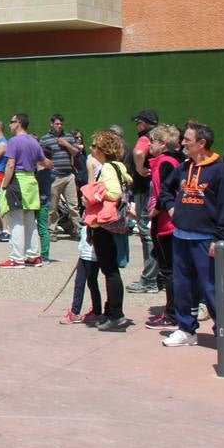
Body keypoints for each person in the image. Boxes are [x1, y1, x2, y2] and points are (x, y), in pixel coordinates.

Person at [160, 122, 224, 348]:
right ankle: (186, 330)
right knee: (182, 287)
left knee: (212, 288)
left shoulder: (219, 170)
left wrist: (220, 238)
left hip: (206, 240)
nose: (182, 143)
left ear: (201, 144)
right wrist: (171, 208)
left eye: (187, 140)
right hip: (181, 238)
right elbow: (165, 188)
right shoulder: (184, 167)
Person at [83, 129, 133, 331]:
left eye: (94, 146)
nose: (91, 148)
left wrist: (95, 194)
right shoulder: (119, 166)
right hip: (114, 224)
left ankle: (115, 314)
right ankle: (112, 311)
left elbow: (114, 192)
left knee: (109, 270)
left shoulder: (107, 169)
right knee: (110, 269)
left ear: (103, 149)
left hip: (105, 224)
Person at [143, 124, 183, 330]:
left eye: (153, 141)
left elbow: (167, 192)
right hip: (171, 222)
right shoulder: (175, 160)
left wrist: (155, 210)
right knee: (173, 268)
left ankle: (172, 312)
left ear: (163, 144)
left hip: (167, 223)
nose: (149, 144)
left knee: (169, 270)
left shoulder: (165, 163)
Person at [0, 113, 49, 268]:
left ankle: (17, 258)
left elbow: (10, 165)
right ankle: (34, 256)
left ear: (18, 123)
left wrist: (5, 185)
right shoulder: (34, 141)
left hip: (18, 181)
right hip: (31, 181)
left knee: (16, 221)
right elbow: (44, 162)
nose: (9, 125)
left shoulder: (14, 141)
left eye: (11, 122)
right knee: (29, 220)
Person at [125, 109, 160, 293]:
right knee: (155, 232)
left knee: (146, 232)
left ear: (144, 123)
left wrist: (139, 168)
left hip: (144, 190)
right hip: (155, 189)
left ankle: (149, 279)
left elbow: (139, 152)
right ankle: (158, 276)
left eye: (138, 123)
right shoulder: (160, 136)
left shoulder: (145, 137)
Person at [41, 114, 81, 240]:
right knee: (52, 207)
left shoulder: (68, 137)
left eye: (61, 124)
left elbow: (76, 152)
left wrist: (66, 144)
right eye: (57, 124)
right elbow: (41, 157)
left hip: (68, 176)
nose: (59, 126)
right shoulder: (45, 139)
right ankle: (52, 231)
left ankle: (78, 230)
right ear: (51, 124)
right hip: (54, 177)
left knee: (73, 205)